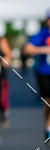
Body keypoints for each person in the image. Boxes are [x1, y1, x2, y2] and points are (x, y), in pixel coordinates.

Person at [24, 11, 50, 141]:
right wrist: (44, 49)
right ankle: (48, 127)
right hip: (45, 73)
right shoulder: (43, 34)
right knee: (48, 102)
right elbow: (27, 49)